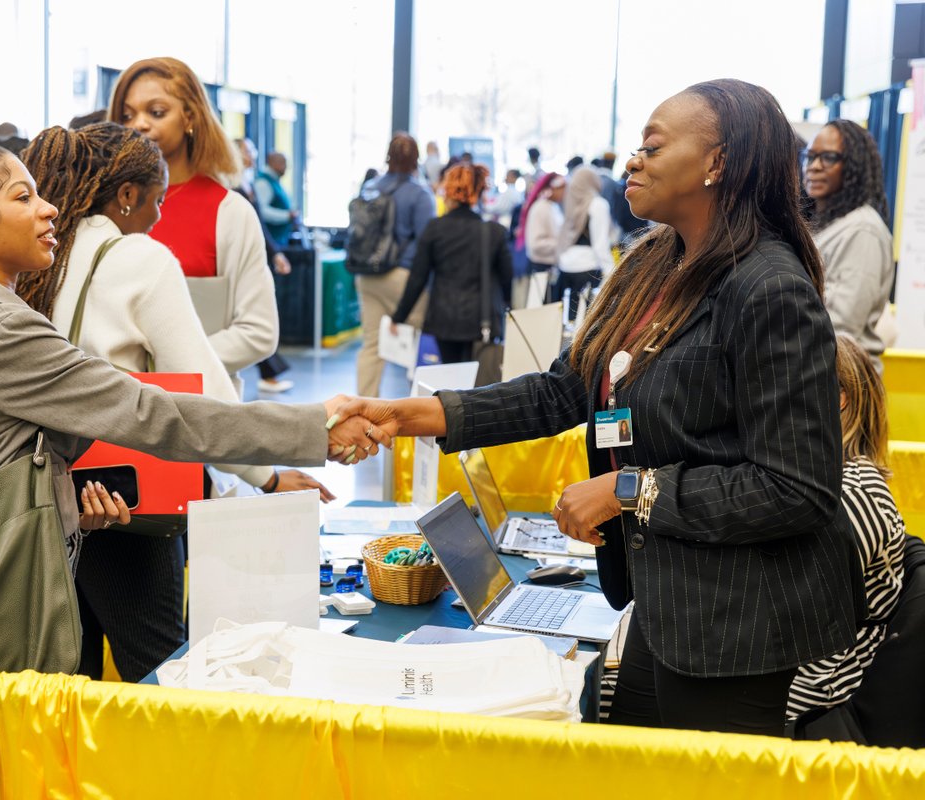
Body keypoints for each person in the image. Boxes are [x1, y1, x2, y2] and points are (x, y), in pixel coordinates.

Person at [0, 145, 385, 799]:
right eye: (20, 196)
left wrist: (61, 496)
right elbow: (153, 414)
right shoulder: (2, 333)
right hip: (13, 599)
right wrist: (314, 424)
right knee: (13, 768)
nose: (47, 207)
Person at [332, 79, 863, 737]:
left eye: (652, 146)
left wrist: (625, 488)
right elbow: (565, 389)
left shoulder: (770, 289)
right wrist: (413, 413)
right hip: (663, 599)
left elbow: (796, 488)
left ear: (717, 163)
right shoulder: (656, 266)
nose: (631, 161)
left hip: (735, 622)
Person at [17, 123, 331, 679]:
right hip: (127, 502)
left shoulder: (38, 254)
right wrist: (269, 476)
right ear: (128, 195)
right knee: (159, 668)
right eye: (158, 200)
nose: (161, 217)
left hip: (44, 498)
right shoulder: (139, 257)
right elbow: (203, 395)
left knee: (72, 679)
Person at [108, 57, 277, 392]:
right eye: (127, 115)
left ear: (189, 117)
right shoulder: (104, 209)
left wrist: (161, 369)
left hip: (200, 415)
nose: (139, 124)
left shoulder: (229, 212)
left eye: (156, 112)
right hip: (111, 413)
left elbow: (259, 331)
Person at [787, 334, 907, 723]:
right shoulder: (828, 483)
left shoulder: (856, 495)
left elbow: (785, 610)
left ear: (838, 398)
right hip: (792, 686)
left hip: (809, 702)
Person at [390, 163, 511, 367]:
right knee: (480, 384)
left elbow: (418, 278)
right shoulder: (494, 232)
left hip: (444, 318)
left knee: (451, 377)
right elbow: (507, 278)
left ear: (448, 191)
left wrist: (399, 316)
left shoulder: (434, 228)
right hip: (482, 320)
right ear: (478, 192)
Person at [804, 119, 894, 364]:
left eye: (829, 158)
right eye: (810, 157)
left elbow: (843, 324)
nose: (814, 166)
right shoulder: (829, 224)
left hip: (846, 382)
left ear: (854, 167)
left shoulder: (862, 230)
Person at [354, 132, 436, 396]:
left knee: (371, 346)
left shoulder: (370, 187)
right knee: (418, 342)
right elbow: (427, 242)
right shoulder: (420, 194)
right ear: (416, 160)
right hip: (401, 275)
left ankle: (363, 418)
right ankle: (416, 416)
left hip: (366, 274)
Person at [234, 137, 294, 393]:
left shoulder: (247, 183)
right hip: (236, 259)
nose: (253, 154)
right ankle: (268, 371)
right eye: (248, 150)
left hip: (253, 255)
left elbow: (259, 223)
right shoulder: (230, 184)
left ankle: (269, 372)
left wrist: (275, 253)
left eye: (253, 149)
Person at [554, 166, 612, 319]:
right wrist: (611, 272)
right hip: (587, 269)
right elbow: (600, 244)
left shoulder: (571, 202)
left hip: (565, 267)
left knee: (568, 322)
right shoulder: (598, 204)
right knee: (584, 324)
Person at [515, 171, 565, 309]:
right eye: (561, 188)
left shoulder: (552, 207)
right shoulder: (540, 208)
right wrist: (562, 244)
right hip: (542, 269)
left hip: (551, 267)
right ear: (552, 188)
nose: (564, 192)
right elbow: (535, 244)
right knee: (541, 313)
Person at [254, 151, 297, 247]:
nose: (286, 167)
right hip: (270, 242)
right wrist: (287, 216)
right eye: (283, 163)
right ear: (273, 163)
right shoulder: (263, 182)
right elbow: (262, 211)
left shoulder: (274, 180)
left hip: (279, 240)